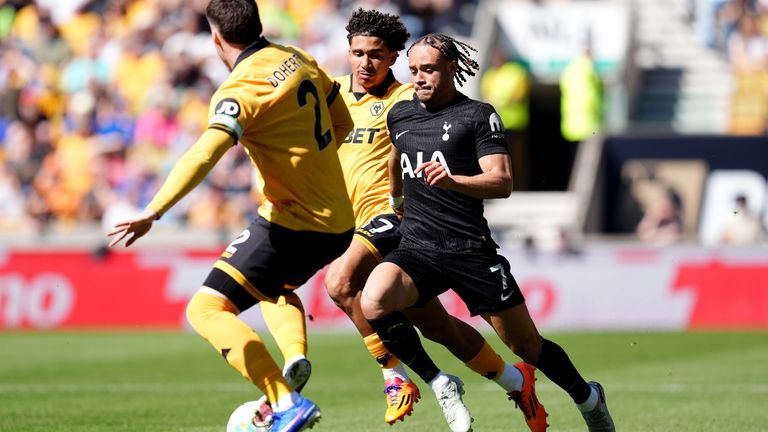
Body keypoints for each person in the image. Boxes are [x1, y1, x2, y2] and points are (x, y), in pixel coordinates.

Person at [257, 8, 544, 428]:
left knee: (340, 283)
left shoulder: (408, 99)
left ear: (393, 58)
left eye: (376, 54)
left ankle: (399, 376)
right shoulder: (331, 97)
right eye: (358, 53)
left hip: (392, 217)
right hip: (346, 223)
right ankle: (515, 380)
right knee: (436, 326)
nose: (365, 63)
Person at [106, 1, 356, 431]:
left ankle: (285, 402)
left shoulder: (238, 90)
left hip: (292, 223)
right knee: (275, 286)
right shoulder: (297, 57)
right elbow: (342, 122)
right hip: (338, 223)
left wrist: (154, 210)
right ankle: (294, 356)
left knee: (205, 309)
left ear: (216, 38)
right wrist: (307, 169)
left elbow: (206, 152)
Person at [360, 33, 616, 432]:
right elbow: (396, 156)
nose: (419, 78)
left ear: (451, 68)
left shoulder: (478, 115)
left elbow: (502, 181)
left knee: (527, 347)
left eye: (428, 69)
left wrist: (453, 181)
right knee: (374, 299)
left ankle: (588, 398)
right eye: (413, 70)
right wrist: (396, 200)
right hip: (418, 248)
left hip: (470, 251)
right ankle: (439, 382)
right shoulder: (401, 115)